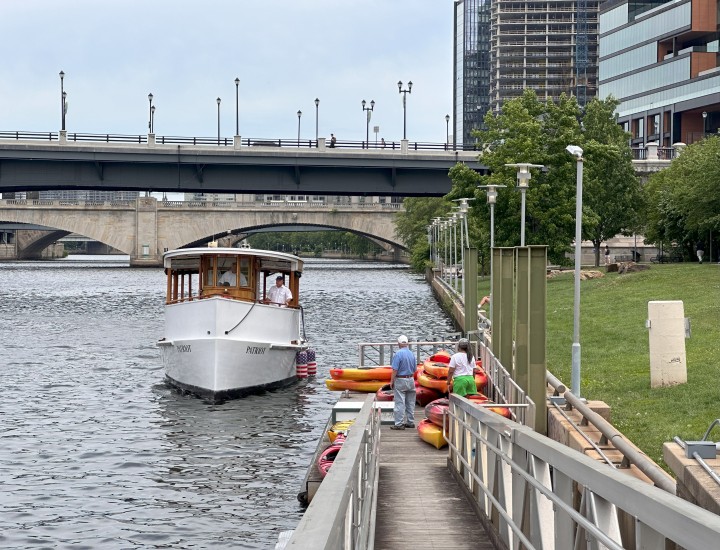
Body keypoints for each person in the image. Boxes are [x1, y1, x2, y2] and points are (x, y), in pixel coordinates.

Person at [390, 335, 417, 430]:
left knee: (399, 402)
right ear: (407, 343)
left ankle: (399, 423)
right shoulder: (411, 354)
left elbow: (395, 369)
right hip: (411, 379)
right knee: (410, 402)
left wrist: (391, 381)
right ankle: (410, 422)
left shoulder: (398, 354)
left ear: (398, 343)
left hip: (401, 379)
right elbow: (415, 369)